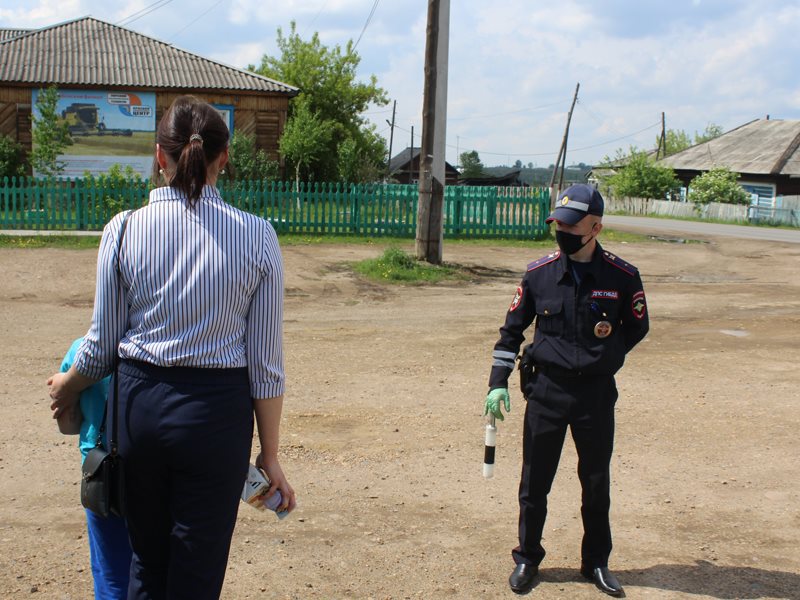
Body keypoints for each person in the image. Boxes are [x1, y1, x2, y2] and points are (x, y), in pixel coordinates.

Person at [48, 95, 296, 600]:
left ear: (159, 156)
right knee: (197, 573)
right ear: (222, 160)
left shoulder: (122, 230)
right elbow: (266, 367)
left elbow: (100, 349)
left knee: (146, 563)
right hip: (217, 417)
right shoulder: (259, 237)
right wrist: (269, 455)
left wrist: (66, 386)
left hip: (140, 410)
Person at [484, 184, 649, 597]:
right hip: (547, 392)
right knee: (534, 483)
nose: (562, 230)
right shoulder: (539, 275)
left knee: (595, 482)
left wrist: (604, 355)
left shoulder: (622, 276)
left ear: (595, 227)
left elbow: (636, 327)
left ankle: (596, 562)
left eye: (571, 225)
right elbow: (510, 334)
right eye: (557, 222)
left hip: (595, 395)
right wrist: (496, 384)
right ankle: (527, 558)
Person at [54, 337, 132, 600]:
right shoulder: (156, 348)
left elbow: (67, 425)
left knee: (111, 574)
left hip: (101, 473)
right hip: (151, 466)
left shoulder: (81, 349)